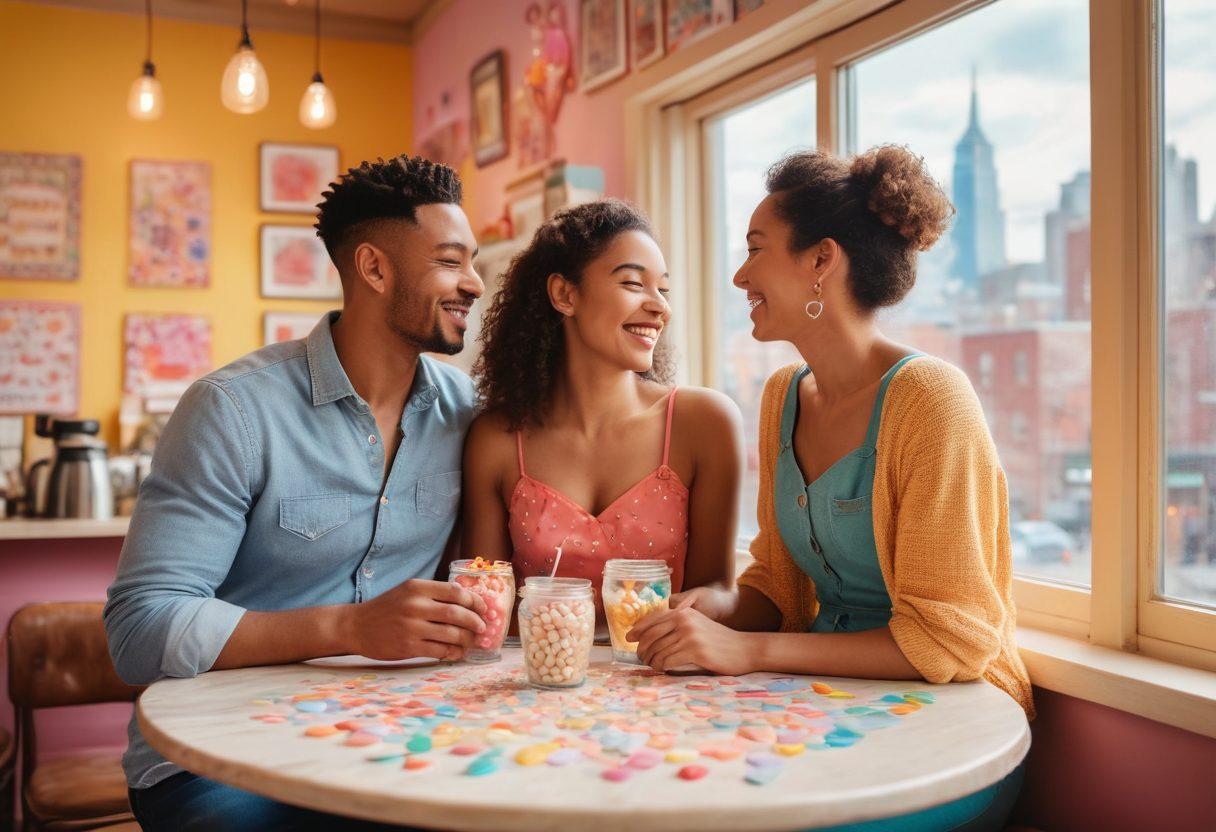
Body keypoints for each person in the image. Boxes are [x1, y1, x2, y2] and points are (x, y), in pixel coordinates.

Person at [630, 146, 1034, 831]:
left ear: (822, 260)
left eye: (756, 249)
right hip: (825, 703)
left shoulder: (932, 401)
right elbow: (779, 589)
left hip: (954, 730)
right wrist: (714, 614)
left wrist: (748, 651)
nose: (740, 274)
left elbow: (947, 643)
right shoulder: (782, 396)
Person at [105, 155, 486, 831]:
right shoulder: (232, 410)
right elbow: (139, 630)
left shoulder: (468, 413)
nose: (475, 284)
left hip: (396, 741)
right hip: (219, 755)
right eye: (452, 262)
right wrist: (347, 627)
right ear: (374, 268)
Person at [461, 199, 743, 627]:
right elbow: (487, 602)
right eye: (633, 284)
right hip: (537, 678)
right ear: (564, 294)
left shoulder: (704, 423)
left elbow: (721, 590)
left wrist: (696, 609)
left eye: (663, 290)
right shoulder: (496, 438)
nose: (659, 306)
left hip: (662, 678)